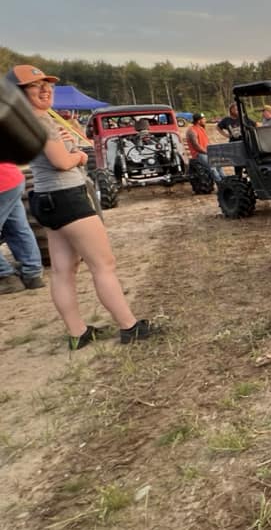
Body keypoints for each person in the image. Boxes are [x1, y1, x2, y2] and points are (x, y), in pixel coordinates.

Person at [7, 64, 159, 349]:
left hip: (45, 197)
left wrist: (65, 147)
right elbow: (62, 162)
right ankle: (129, 326)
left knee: (64, 270)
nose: (45, 89)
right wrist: (77, 156)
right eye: (34, 86)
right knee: (104, 264)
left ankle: (77, 333)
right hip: (67, 196)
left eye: (47, 84)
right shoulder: (39, 123)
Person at [0, 162, 45, 294]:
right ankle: (32, 274)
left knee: (17, 229)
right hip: (12, 179)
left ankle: (6, 276)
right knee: (17, 229)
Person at [185, 113, 223, 182]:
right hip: (198, 154)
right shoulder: (191, 131)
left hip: (206, 152)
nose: (205, 120)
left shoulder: (201, 128)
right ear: (199, 121)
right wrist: (207, 152)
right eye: (203, 119)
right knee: (212, 168)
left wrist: (212, 150)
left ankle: (225, 181)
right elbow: (196, 146)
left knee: (219, 165)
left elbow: (206, 142)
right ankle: (221, 184)